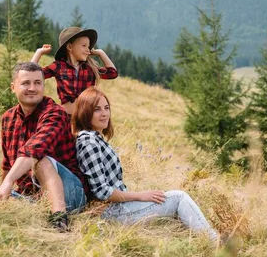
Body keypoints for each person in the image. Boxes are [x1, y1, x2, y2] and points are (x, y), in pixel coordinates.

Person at [73, 87, 218, 241]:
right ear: (85, 112)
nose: (104, 113)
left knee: (172, 204)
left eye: (106, 108)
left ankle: (205, 241)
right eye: (97, 109)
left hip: (117, 208)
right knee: (179, 198)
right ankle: (216, 243)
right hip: (112, 212)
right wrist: (141, 196)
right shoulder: (88, 141)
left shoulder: (95, 138)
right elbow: (103, 192)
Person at [0, 62, 87, 231]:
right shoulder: (8, 118)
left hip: (69, 193)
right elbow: (7, 163)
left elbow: (35, 149)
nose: (32, 88)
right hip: (32, 194)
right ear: (13, 87)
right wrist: (3, 190)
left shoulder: (55, 113)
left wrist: (9, 181)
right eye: (26, 83)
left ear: (43, 86)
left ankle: (59, 221)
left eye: (37, 83)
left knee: (40, 160)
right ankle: (34, 213)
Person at [31, 26, 118, 117]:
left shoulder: (90, 68)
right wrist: (39, 53)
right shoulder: (59, 66)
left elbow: (112, 73)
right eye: (84, 46)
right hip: (66, 117)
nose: (88, 50)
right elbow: (31, 75)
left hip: (87, 117)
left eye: (88, 47)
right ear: (69, 47)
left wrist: (100, 53)